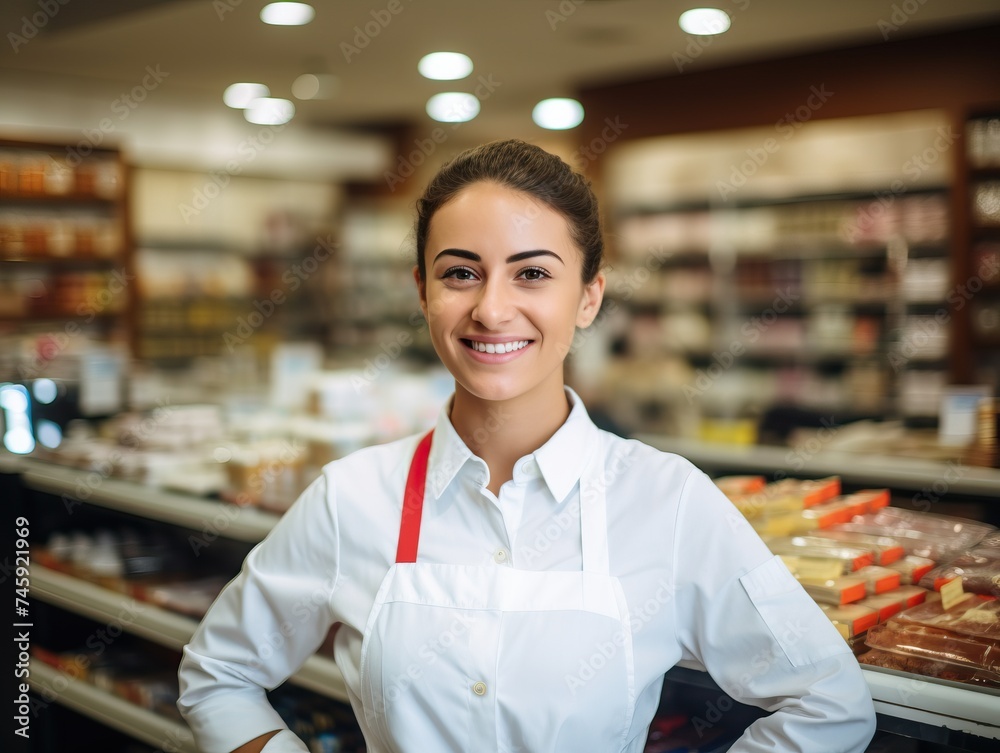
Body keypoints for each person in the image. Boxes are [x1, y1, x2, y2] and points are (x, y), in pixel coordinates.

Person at [177, 139, 877, 752]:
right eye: (460, 272)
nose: (491, 308)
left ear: (589, 298)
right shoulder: (351, 497)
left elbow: (828, 702)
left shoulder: (667, 500)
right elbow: (218, 674)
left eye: (533, 273)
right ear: (422, 291)